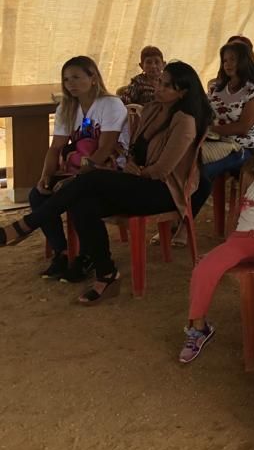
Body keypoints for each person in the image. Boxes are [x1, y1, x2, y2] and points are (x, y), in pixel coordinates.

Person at [1, 62, 212, 304]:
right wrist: (131, 164)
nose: (158, 87)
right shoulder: (153, 109)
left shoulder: (185, 121)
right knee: (83, 203)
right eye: (159, 82)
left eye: (166, 85)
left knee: (91, 178)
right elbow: (132, 148)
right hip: (137, 181)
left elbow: (162, 170)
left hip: (162, 189)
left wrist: (137, 171)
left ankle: (26, 225)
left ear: (182, 92)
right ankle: (106, 273)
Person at [179, 143, 254, 363]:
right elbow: (239, 209)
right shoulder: (248, 177)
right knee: (203, 270)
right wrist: (229, 239)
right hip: (240, 240)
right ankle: (199, 328)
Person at [27, 55, 129, 277]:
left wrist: (76, 179)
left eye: (76, 77)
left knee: (78, 197)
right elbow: (56, 148)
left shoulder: (110, 104)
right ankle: (63, 252)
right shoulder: (67, 107)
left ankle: (88, 255)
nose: (70, 84)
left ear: (93, 78)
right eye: (66, 79)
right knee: (38, 195)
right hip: (77, 170)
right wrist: (46, 175)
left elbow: (105, 150)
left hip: (109, 171)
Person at [192, 42, 254, 215]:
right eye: (225, 60)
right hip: (214, 141)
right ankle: (178, 210)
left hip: (242, 148)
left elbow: (243, 127)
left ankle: (183, 222)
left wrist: (210, 130)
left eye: (233, 59)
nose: (228, 64)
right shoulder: (216, 88)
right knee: (186, 161)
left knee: (203, 171)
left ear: (245, 60)